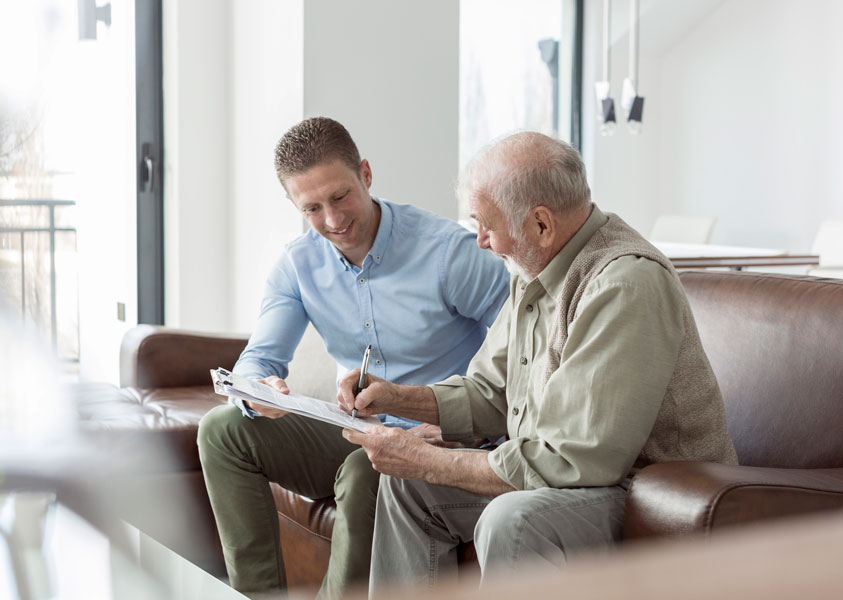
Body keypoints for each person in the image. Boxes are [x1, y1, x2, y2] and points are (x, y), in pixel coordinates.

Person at [338, 131, 739, 592]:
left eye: (485, 225)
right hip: (579, 478)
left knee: (513, 520)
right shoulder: (534, 269)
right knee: (408, 488)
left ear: (541, 225)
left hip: (648, 492)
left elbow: (572, 458)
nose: (482, 242)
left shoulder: (624, 283)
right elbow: (489, 392)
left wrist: (427, 460)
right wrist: (395, 398)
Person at [197, 117, 509, 599]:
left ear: (365, 173)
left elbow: (529, 340)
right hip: (360, 430)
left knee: (371, 469)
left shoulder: (449, 253)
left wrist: (472, 424)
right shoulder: (298, 266)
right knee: (222, 431)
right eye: (313, 208)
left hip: (441, 437)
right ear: (293, 204)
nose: (333, 220)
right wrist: (258, 389)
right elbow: (258, 358)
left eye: (340, 196)